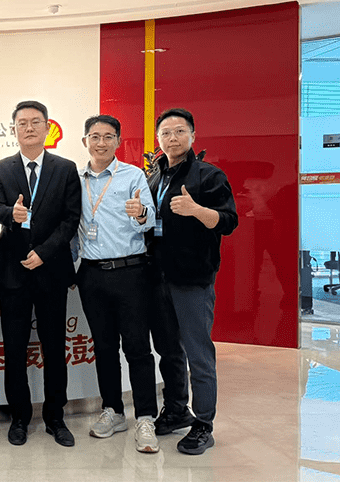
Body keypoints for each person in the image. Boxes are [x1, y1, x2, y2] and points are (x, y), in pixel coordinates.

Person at [0, 100, 81, 447]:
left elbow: (71, 218)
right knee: (14, 348)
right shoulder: (0, 168)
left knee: (54, 347)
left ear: (47, 127)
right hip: (13, 271)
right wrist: (9, 214)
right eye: (22, 123)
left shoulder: (65, 168)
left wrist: (44, 252)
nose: (29, 128)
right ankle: (19, 418)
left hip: (51, 269)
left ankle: (55, 417)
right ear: (13, 129)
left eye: (35, 122)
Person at [146, 108, 238, 455]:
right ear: (158, 138)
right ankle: (176, 409)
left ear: (193, 135)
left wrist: (197, 210)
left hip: (192, 278)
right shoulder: (154, 176)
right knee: (168, 351)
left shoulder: (208, 175)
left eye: (179, 131)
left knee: (198, 353)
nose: (172, 138)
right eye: (166, 133)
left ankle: (203, 423)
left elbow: (229, 221)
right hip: (156, 277)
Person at [71, 115, 159, 453]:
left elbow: (149, 221)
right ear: (85, 141)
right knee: (104, 347)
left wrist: (140, 213)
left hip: (130, 272)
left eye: (108, 136)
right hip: (91, 274)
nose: (101, 143)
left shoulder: (133, 175)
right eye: (94, 136)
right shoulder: (75, 180)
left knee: (137, 347)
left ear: (118, 142)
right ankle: (113, 410)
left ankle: (146, 418)